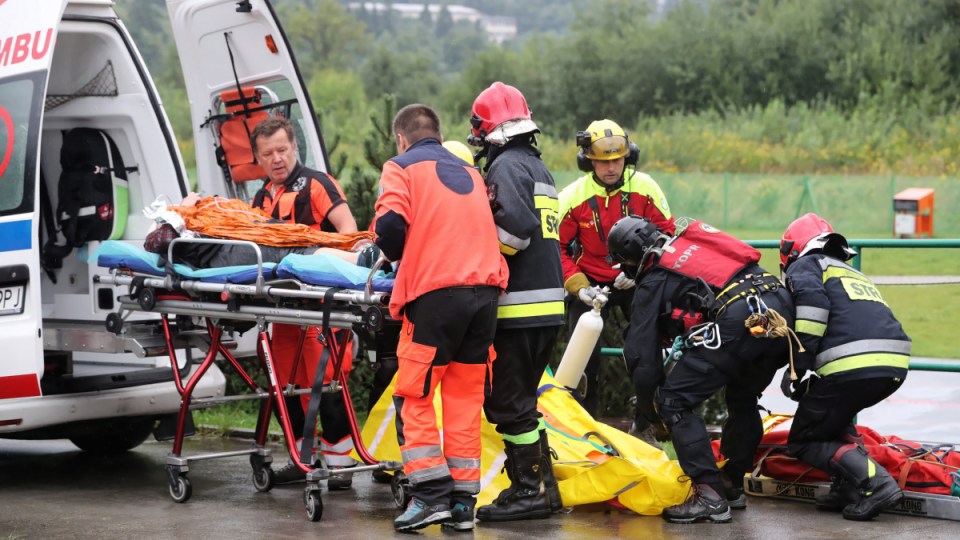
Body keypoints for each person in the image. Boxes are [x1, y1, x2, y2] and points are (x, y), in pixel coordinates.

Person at [608, 216, 795, 524]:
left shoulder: (654, 278)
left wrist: (651, 412)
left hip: (740, 319)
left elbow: (642, 358)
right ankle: (731, 485)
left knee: (675, 401)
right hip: (778, 308)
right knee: (742, 397)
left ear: (627, 260)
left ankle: (709, 495)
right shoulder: (690, 245)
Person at [374, 103, 507, 532]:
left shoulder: (401, 167)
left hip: (436, 295)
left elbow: (389, 227)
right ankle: (462, 504)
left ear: (401, 138)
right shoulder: (469, 172)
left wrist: (396, 256)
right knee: (465, 398)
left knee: (414, 395)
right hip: (485, 297)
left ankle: (429, 497)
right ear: (438, 133)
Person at [466, 82, 566, 523]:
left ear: (488, 131)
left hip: (518, 309)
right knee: (523, 401)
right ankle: (542, 490)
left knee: (507, 406)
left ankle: (529, 492)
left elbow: (517, 230)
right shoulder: (537, 167)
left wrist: (481, 255)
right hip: (546, 308)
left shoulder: (505, 166)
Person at [249, 117, 361, 488]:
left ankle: (340, 465)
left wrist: (314, 252)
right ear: (259, 158)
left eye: (282, 149)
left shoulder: (317, 184)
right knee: (284, 384)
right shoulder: (262, 197)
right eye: (268, 153)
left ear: (295, 148)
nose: (277, 158)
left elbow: (351, 233)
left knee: (325, 382)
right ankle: (303, 458)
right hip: (281, 307)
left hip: (320, 305)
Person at [779, 213, 909, 521]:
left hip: (851, 365)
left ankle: (876, 484)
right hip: (892, 364)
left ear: (792, 249)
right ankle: (847, 488)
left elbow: (812, 310)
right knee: (833, 418)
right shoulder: (849, 272)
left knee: (803, 440)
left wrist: (797, 366)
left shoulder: (806, 266)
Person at [557, 119, 674, 423]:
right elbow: (555, 248)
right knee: (583, 362)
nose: (611, 168)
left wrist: (639, 272)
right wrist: (579, 287)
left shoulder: (646, 188)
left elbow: (667, 236)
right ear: (588, 161)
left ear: (628, 157)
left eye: (618, 160)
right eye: (602, 161)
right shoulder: (571, 197)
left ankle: (646, 425)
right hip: (589, 282)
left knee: (645, 353)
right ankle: (581, 429)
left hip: (636, 278)